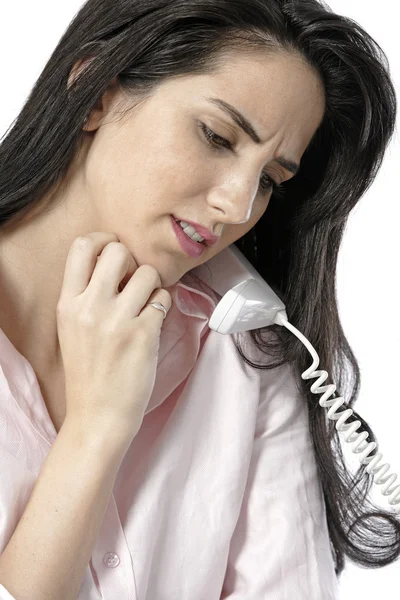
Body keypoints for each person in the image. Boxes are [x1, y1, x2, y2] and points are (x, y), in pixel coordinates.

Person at [0, 0, 398, 598]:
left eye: (270, 180)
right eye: (217, 136)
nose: (238, 206)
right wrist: (97, 429)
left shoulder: (246, 355)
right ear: (96, 92)